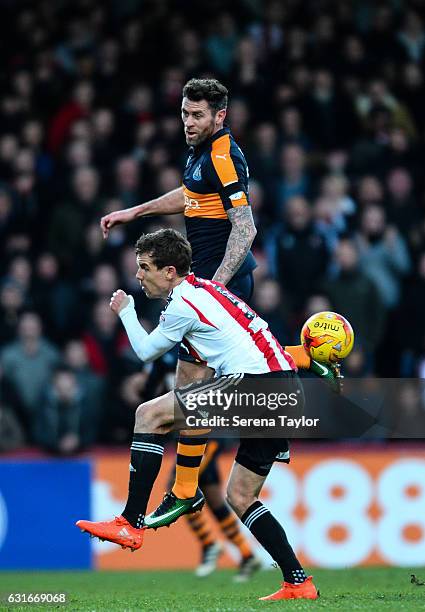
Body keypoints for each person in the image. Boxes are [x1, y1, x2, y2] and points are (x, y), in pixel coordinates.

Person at [99, 77, 336, 576]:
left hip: (217, 284)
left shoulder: (225, 153)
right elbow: (188, 198)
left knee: (186, 389)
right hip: (207, 286)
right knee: (189, 386)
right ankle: (190, 487)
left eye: (197, 115)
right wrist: (135, 211)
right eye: (185, 113)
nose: (188, 122)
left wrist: (215, 290)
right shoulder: (199, 155)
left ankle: (182, 490)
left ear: (219, 116)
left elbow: (246, 228)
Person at [77, 229, 318, 601]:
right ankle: (298, 581)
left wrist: (125, 312)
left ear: (170, 271)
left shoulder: (183, 305)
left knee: (148, 414)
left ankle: (130, 522)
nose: (138, 275)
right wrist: (308, 360)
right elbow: (257, 339)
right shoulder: (209, 291)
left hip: (255, 385)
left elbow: (144, 352)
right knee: (240, 495)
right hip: (281, 387)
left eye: (145, 267)